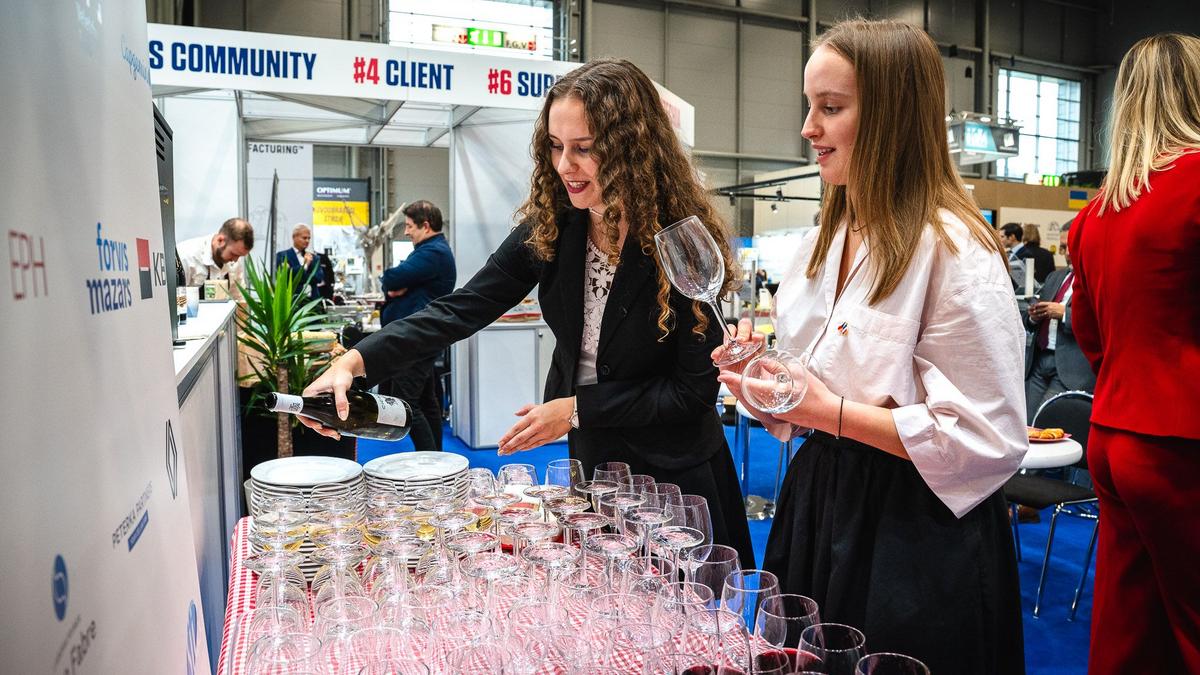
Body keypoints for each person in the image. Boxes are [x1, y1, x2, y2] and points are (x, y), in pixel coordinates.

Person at [299, 58, 756, 568]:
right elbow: (460, 310)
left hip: (676, 476)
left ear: (633, 148)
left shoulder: (682, 239)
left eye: (584, 148)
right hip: (595, 466)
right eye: (556, 146)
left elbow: (691, 392)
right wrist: (356, 362)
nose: (564, 165)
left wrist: (578, 409)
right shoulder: (554, 226)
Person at [717, 19, 1026, 673]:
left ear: (891, 117)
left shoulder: (954, 249)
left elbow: (987, 438)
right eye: (810, 106)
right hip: (819, 500)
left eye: (831, 108)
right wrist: (767, 389)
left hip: (915, 527)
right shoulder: (818, 244)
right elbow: (808, 393)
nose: (808, 128)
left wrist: (825, 411)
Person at [1068, 33, 1200, 674]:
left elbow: (1089, 332)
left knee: (1128, 628)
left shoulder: (1097, 212)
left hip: (1115, 433)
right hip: (1182, 441)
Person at [377, 200, 457, 453]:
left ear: (426, 226)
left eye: (410, 226)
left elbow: (391, 278)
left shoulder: (432, 253)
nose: (406, 232)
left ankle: (431, 464)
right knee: (425, 400)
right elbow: (395, 283)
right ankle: (437, 459)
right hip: (421, 336)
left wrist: (399, 287)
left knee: (407, 404)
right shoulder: (430, 251)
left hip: (416, 338)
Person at [1023, 220, 1094, 423]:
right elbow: (1029, 320)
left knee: (1043, 423)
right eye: (1063, 247)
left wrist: (1064, 314)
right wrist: (1033, 317)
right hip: (1038, 362)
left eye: (1070, 247)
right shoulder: (1055, 277)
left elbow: (1099, 323)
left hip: (1069, 366)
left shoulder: (1094, 279)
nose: (1066, 253)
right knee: (1026, 423)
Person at [176, 217, 254, 296]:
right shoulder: (187, 256)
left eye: (239, 256)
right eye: (233, 254)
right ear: (220, 240)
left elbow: (239, 297)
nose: (235, 260)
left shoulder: (234, 261)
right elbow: (177, 298)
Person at [274, 223, 324, 300]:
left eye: (309, 238)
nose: (307, 241)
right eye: (304, 238)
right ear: (294, 237)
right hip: (292, 300)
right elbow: (286, 277)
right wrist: (305, 266)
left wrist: (296, 275)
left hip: (312, 301)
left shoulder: (314, 258)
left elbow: (319, 278)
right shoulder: (282, 256)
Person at [999, 221, 1030, 295]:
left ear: (1012, 237)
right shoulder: (1008, 254)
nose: (1000, 240)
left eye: (1002, 237)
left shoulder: (1027, 254)